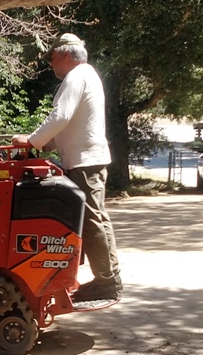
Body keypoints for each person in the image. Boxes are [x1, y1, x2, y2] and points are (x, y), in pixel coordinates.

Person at [12, 33, 122, 302]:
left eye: (52, 58)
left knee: (93, 220)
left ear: (64, 55)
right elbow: (74, 122)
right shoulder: (87, 74)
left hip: (85, 161)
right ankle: (109, 277)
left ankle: (106, 281)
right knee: (96, 218)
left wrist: (32, 140)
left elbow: (61, 115)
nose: (51, 64)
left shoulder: (76, 76)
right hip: (87, 158)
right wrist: (47, 145)